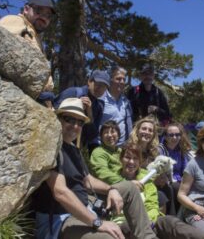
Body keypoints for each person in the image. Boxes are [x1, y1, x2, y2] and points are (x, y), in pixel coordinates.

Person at [32, 98, 157, 239]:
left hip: (86, 207)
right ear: (58, 119)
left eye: (79, 122)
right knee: (108, 237)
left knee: (129, 188)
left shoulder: (73, 149)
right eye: (69, 119)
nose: (75, 126)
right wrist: (97, 222)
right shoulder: (52, 148)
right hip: (61, 219)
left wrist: (111, 189)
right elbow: (60, 192)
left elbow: (88, 180)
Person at [110, 142, 204, 239]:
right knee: (129, 226)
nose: (131, 162)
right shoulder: (110, 177)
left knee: (170, 221)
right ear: (121, 159)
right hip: (124, 222)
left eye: (135, 158)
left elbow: (152, 205)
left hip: (149, 222)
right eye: (127, 157)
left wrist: (148, 221)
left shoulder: (146, 178)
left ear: (140, 161)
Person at [0, 0, 56, 108]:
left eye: (48, 16)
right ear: (26, 9)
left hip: (37, 96)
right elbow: (1, 51)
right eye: (39, 11)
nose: (43, 17)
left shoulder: (36, 37)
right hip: (18, 95)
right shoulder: (15, 21)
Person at [54, 70, 109, 152]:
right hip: (57, 142)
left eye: (104, 87)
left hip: (75, 149)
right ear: (89, 82)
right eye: (98, 84)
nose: (100, 88)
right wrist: (76, 105)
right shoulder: (73, 92)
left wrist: (89, 115)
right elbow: (54, 113)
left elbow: (91, 136)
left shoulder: (99, 107)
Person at [158, 122, 194, 212]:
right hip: (165, 179)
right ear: (165, 137)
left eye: (177, 135)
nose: (174, 138)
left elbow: (185, 169)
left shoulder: (181, 150)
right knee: (174, 188)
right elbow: (159, 169)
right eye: (171, 135)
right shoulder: (160, 150)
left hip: (179, 179)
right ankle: (174, 215)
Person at [100, 66, 132, 146]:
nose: (122, 82)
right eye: (118, 79)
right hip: (103, 147)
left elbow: (128, 123)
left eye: (124, 79)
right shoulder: (101, 99)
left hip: (121, 147)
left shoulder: (126, 101)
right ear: (110, 80)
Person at [90, 120, 123, 186]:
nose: (110, 135)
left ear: (118, 135)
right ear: (101, 137)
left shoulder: (121, 151)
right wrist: (127, 183)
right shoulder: (98, 152)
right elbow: (103, 173)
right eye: (106, 132)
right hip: (109, 188)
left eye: (112, 132)